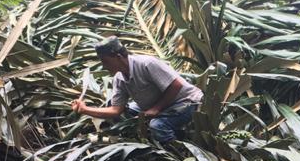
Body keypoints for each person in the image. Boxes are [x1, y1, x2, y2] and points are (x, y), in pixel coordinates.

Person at [70, 37, 203, 144]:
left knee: (157, 126)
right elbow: (116, 110)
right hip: (156, 105)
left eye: (105, 61)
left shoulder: (147, 64)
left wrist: (156, 109)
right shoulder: (119, 78)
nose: (104, 66)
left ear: (118, 57)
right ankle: (142, 138)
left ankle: (177, 151)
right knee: (124, 111)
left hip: (185, 102)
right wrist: (85, 109)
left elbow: (176, 85)